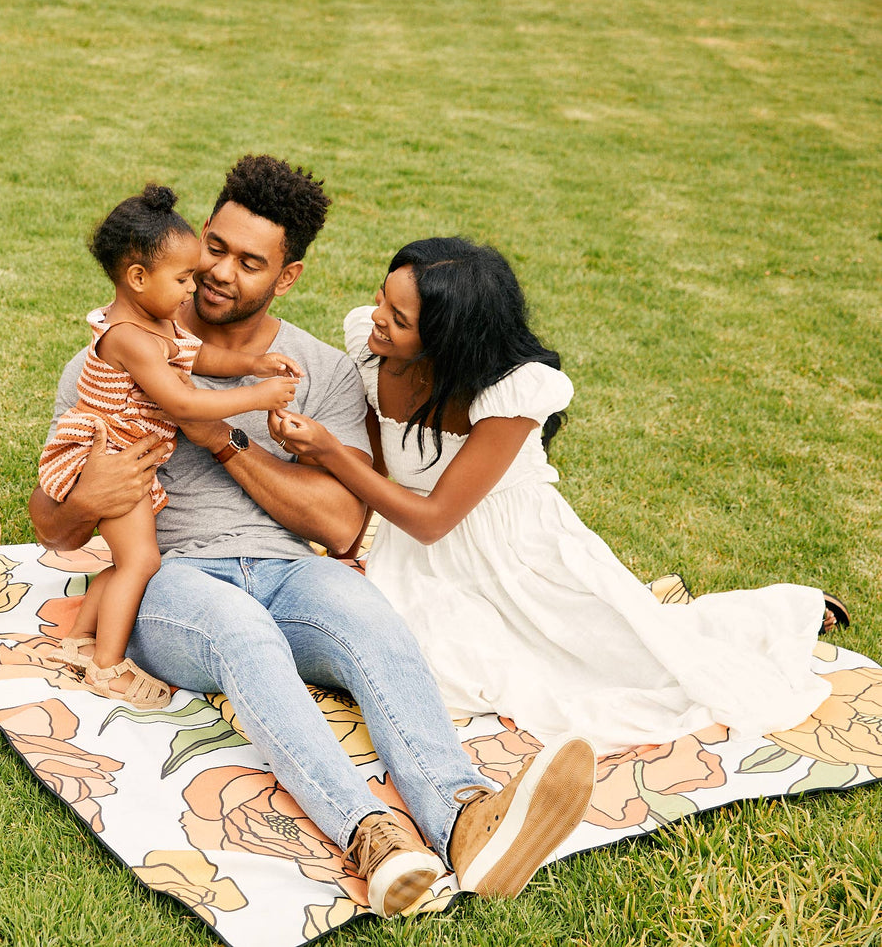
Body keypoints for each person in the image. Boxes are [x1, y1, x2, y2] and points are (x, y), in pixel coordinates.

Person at [30, 156, 597, 918]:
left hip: (289, 570)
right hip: (175, 579)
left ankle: (465, 816)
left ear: (286, 276)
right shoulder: (117, 355)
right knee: (242, 633)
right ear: (198, 238)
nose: (220, 273)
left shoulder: (318, 370)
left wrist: (224, 439)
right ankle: (371, 836)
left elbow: (339, 523)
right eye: (216, 249)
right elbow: (53, 525)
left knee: (368, 619)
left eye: (249, 262)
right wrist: (87, 495)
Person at [270, 236, 839, 754]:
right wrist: (344, 533)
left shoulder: (510, 392)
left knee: (625, 666)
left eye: (400, 318)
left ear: (449, 337)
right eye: (381, 300)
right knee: (431, 665)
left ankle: (778, 614)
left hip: (518, 550)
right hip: (416, 554)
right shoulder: (373, 350)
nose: (377, 319)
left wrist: (326, 451)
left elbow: (433, 517)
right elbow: (374, 465)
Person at [37, 183, 303, 708]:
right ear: (138, 278)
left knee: (127, 560)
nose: (192, 289)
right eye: (182, 278)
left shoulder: (155, 325)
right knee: (140, 563)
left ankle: (76, 643)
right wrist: (260, 394)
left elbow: (197, 360)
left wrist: (252, 363)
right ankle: (107, 667)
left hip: (130, 457)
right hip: (109, 461)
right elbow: (182, 404)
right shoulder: (128, 339)